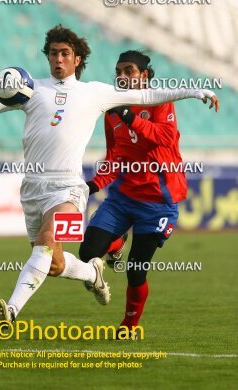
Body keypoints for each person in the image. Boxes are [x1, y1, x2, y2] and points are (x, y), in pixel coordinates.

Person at [0, 27, 219, 334]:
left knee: (45, 246)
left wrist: (195, 91)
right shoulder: (30, 89)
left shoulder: (96, 92)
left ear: (77, 59)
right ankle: (94, 276)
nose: (58, 59)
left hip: (68, 189)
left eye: (65, 53)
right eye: (53, 53)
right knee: (52, 263)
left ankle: (10, 312)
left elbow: (147, 94)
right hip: (32, 189)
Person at [79, 50, 217, 337]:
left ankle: (129, 326)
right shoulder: (112, 111)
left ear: (144, 75)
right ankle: (116, 244)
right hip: (122, 198)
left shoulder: (158, 102)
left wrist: (130, 116)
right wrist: (93, 185)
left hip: (158, 203)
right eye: (119, 71)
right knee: (87, 253)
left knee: (136, 269)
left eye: (129, 71)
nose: (122, 76)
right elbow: (115, 157)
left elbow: (165, 137)